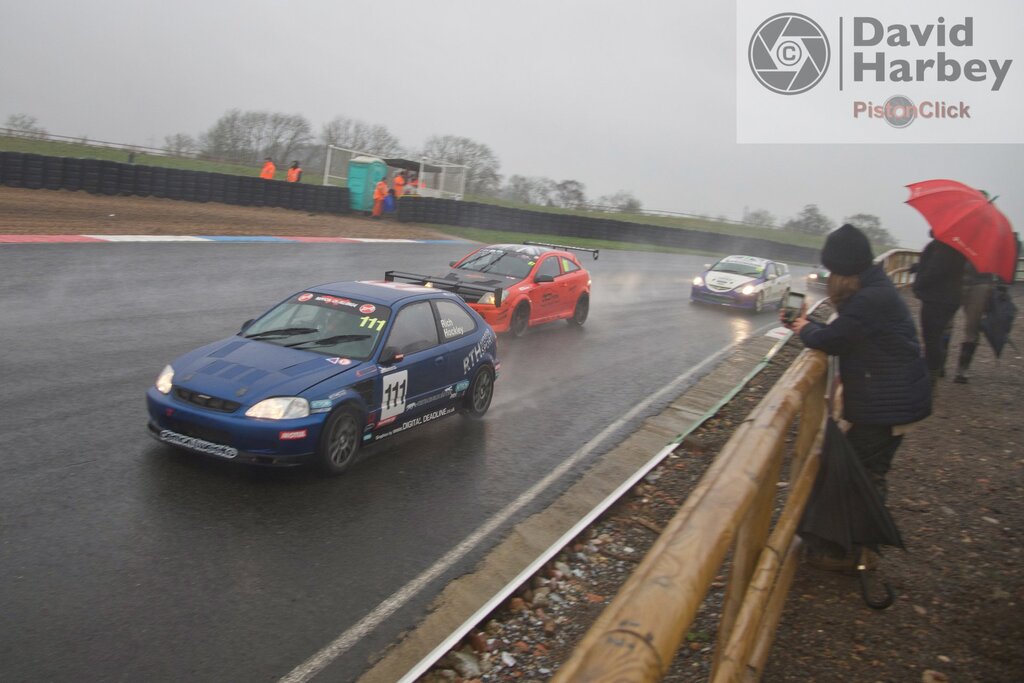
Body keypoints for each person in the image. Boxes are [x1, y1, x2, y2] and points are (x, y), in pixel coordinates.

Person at [783, 224, 932, 570]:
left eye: (834, 269)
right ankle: (857, 552)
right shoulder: (874, 288)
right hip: (894, 400)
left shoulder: (870, 298)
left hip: (889, 406)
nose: (831, 276)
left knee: (857, 475)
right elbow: (842, 332)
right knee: (867, 472)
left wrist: (804, 328)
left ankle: (850, 554)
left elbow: (837, 339)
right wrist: (807, 327)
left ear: (844, 268)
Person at [912, 234, 966, 385]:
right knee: (938, 334)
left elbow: (935, 270)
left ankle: (931, 373)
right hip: (950, 298)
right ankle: (936, 369)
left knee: (931, 336)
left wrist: (918, 285)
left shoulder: (944, 246)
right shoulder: (957, 246)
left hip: (937, 298)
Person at [954, 262, 997, 383]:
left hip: (979, 284)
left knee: (972, 327)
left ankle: (962, 369)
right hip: (954, 280)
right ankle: (939, 365)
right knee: (944, 323)